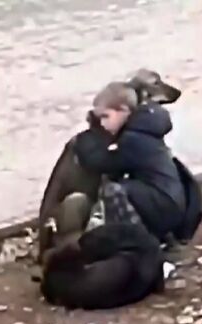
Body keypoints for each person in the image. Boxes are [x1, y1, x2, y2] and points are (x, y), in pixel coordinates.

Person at [73, 81, 186, 242]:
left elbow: (100, 162)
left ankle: (134, 242)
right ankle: (153, 237)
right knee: (125, 186)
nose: (102, 124)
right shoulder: (143, 130)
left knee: (112, 190)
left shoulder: (133, 139)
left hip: (164, 207)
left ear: (123, 111)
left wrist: (84, 141)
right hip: (169, 204)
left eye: (105, 117)